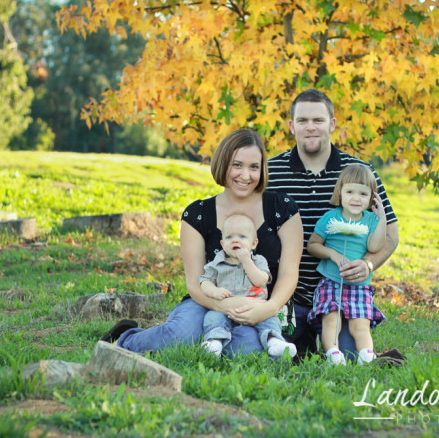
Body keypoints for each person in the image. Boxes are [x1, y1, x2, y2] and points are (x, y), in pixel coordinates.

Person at [100, 128, 303, 357]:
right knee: (181, 335)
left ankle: (207, 344)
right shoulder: (198, 214)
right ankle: (128, 337)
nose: (245, 175)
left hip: (261, 303)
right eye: (237, 165)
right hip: (209, 299)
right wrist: (222, 306)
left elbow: (288, 272)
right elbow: (195, 283)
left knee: (251, 347)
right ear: (223, 163)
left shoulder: (282, 208)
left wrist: (270, 308)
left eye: (253, 167)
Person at [264, 89, 399, 361]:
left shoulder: (360, 173)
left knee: (349, 356)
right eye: (302, 121)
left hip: (344, 293)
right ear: (292, 126)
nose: (310, 127)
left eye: (318, 120)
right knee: (278, 354)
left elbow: (391, 236)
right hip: (289, 296)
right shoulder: (270, 172)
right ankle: (300, 338)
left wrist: (369, 264)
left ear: (332, 124)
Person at [306, 164, 387, 365]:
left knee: (361, 325)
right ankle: (332, 353)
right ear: (340, 192)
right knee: (332, 320)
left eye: (363, 193)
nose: (356, 198)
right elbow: (313, 245)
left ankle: (366, 354)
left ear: (371, 198)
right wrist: (331, 253)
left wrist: (382, 219)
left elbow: (375, 247)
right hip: (332, 282)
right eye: (350, 191)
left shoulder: (369, 220)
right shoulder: (331, 218)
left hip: (359, 285)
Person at [200, 213, 297, 358]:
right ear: (222, 244)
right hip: (226, 309)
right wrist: (214, 291)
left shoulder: (258, 261)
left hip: (256, 309)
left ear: (254, 244)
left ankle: (274, 342)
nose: (235, 240)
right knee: (212, 317)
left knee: (270, 320)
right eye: (229, 237)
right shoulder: (217, 263)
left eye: (242, 237)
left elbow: (261, 281)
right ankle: (214, 342)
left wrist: (247, 261)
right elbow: (205, 282)